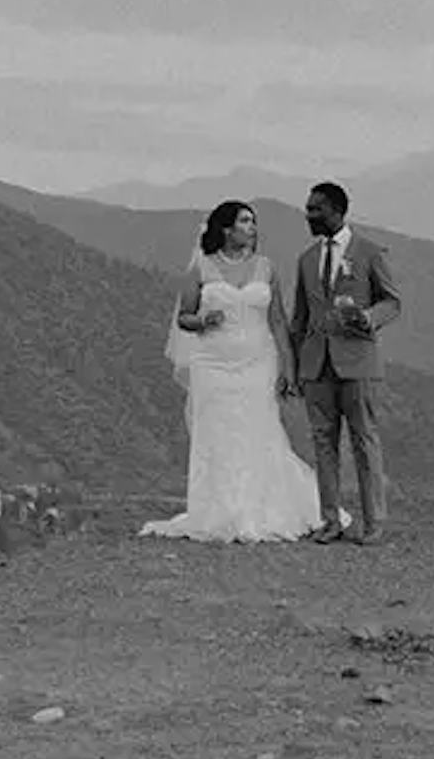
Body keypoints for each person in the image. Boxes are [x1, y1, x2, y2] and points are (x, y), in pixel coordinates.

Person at [137, 200, 321, 542]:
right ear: (226, 229)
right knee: (218, 434)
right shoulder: (201, 269)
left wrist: (289, 367)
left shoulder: (266, 268)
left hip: (258, 360)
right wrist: (203, 320)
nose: (252, 227)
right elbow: (184, 317)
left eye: (253, 221)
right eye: (245, 221)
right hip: (213, 363)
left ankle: (260, 508)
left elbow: (278, 320)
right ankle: (218, 510)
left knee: (259, 429)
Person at [282, 180, 400, 544]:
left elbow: (392, 301)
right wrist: (295, 368)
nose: (308, 215)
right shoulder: (306, 260)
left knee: (364, 440)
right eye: (308, 208)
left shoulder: (368, 252)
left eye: (315, 209)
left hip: (357, 363)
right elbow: (299, 319)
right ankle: (330, 520)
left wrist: (368, 317)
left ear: (336, 211)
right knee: (323, 443)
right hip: (317, 366)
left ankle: (373, 522)